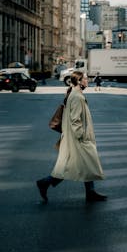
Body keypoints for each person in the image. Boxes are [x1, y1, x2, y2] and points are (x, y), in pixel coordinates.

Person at [36, 71, 107, 203]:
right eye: (85, 79)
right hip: (78, 139)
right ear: (79, 81)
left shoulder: (75, 94)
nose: (88, 81)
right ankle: (44, 183)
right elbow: (75, 120)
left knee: (85, 164)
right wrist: (82, 136)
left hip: (76, 138)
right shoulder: (76, 96)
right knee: (70, 166)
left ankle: (90, 192)